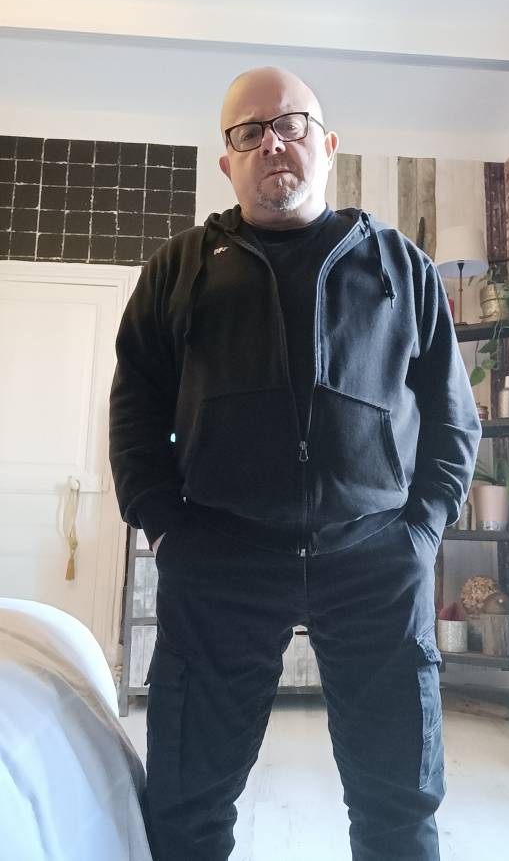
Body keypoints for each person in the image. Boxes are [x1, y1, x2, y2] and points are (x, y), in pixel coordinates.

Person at [109, 66, 481, 861]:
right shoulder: (177, 269)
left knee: (398, 800)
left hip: (374, 560)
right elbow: (135, 409)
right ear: (228, 162)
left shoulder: (400, 265)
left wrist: (422, 529)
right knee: (186, 798)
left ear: (328, 143)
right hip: (220, 559)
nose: (272, 141)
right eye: (249, 131)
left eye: (290, 123)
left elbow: (452, 414)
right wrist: (165, 527)